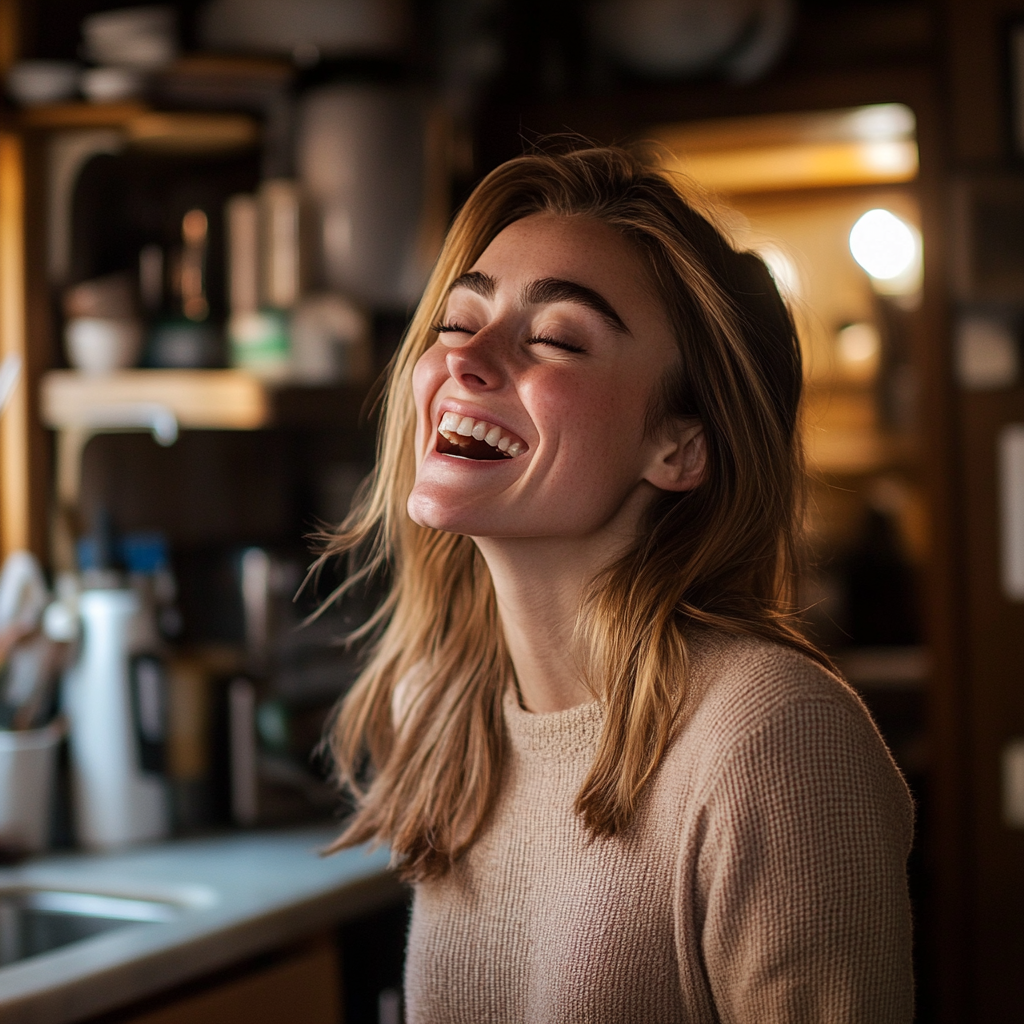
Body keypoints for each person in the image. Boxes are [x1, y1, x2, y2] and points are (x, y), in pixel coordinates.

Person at [320, 145, 914, 1023]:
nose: (466, 361)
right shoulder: (439, 712)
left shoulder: (773, 743)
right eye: (455, 321)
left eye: (557, 338)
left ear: (680, 446)